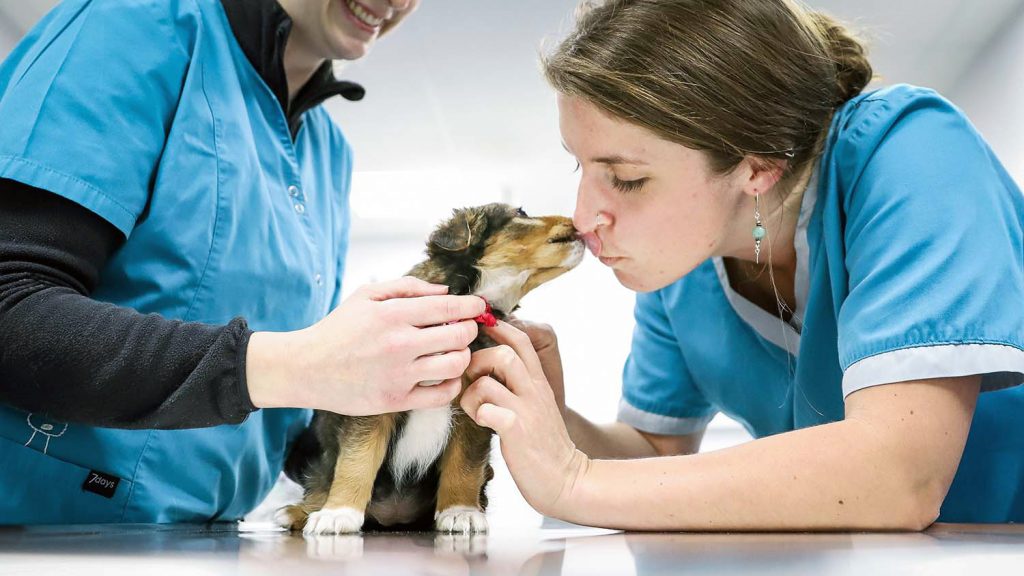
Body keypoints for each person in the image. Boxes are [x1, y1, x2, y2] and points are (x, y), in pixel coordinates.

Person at [460, 0, 1024, 530]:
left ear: (759, 165)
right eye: (578, 166)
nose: (583, 218)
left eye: (627, 178)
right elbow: (655, 454)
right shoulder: (682, 267)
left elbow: (901, 474)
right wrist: (549, 420)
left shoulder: (913, 153)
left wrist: (574, 481)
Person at [0, 0, 485, 524]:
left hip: (204, 536)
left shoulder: (329, 152)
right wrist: (301, 366)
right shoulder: (131, 27)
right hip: (37, 529)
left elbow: (282, 421)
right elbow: (11, 309)